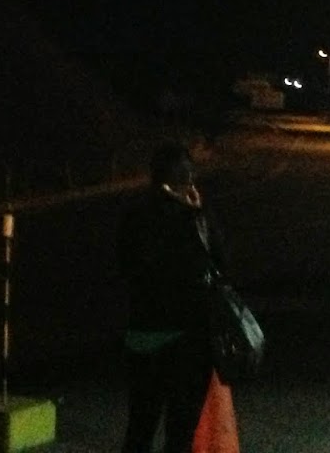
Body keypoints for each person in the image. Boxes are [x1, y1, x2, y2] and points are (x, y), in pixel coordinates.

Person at [116, 140, 226, 453]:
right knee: (180, 431)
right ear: (187, 178)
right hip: (188, 338)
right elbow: (220, 262)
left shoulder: (134, 215)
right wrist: (198, 213)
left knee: (140, 425)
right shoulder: (191, 217)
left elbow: (124, 267)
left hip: (143, 333)